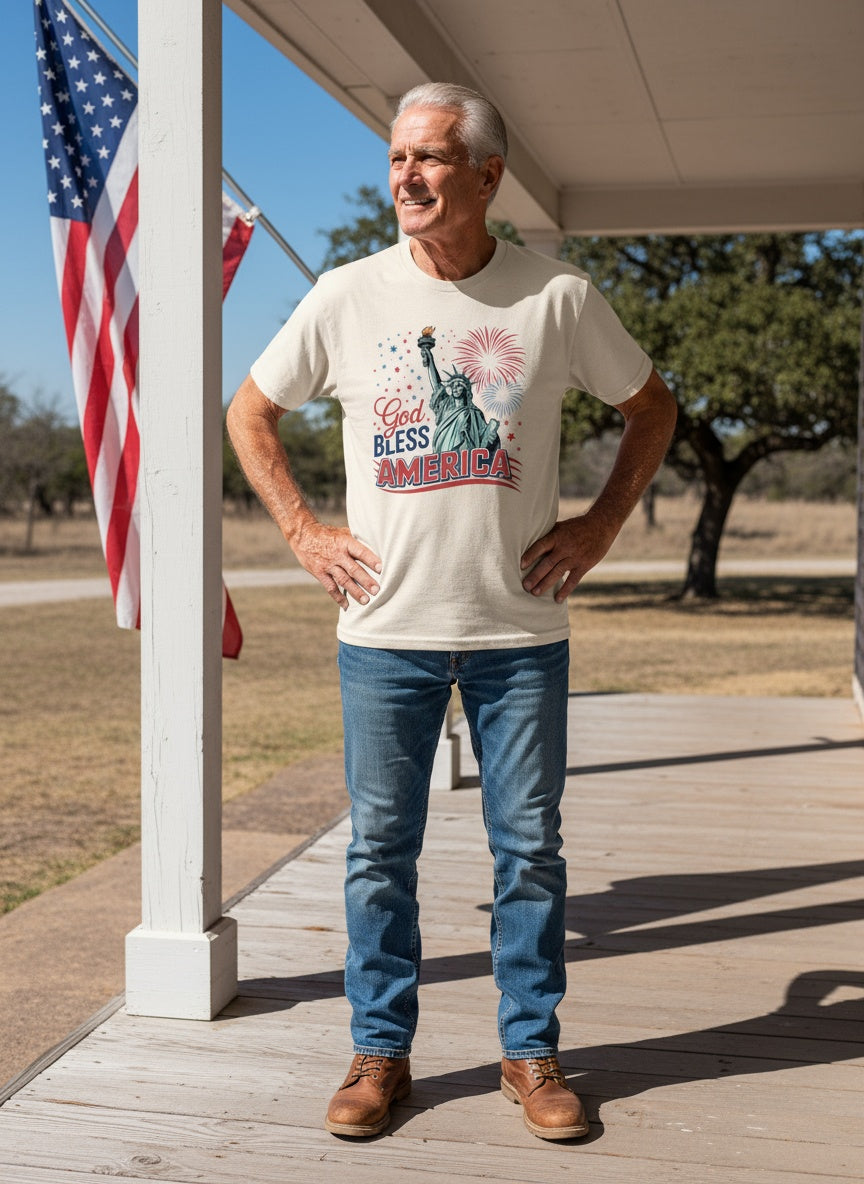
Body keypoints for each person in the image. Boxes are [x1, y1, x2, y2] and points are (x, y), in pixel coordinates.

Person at [227, 81, 677, 1142]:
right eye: (395, 161)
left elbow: (651, 406)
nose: (406, 179)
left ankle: (531, 1052)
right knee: (381, 848)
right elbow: (250, 411)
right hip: (385, 631)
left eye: (429, 159)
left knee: (529, 850)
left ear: (487, 175)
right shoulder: (345, 295)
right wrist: (301, 529)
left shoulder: (555, 299)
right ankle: (380, 1052)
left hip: (520, 633)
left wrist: (602, 524)